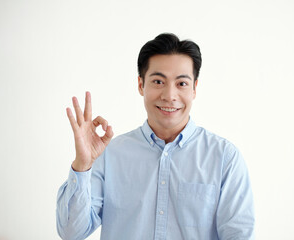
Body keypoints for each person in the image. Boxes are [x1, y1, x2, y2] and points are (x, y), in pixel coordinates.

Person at [56, 33, 255, 240]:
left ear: (195, 88)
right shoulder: (110, 154)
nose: (169, 95)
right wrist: (82, 165)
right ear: (141, 85)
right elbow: (71, 232)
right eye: (158, 81)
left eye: (182, 83)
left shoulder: (224, 157)